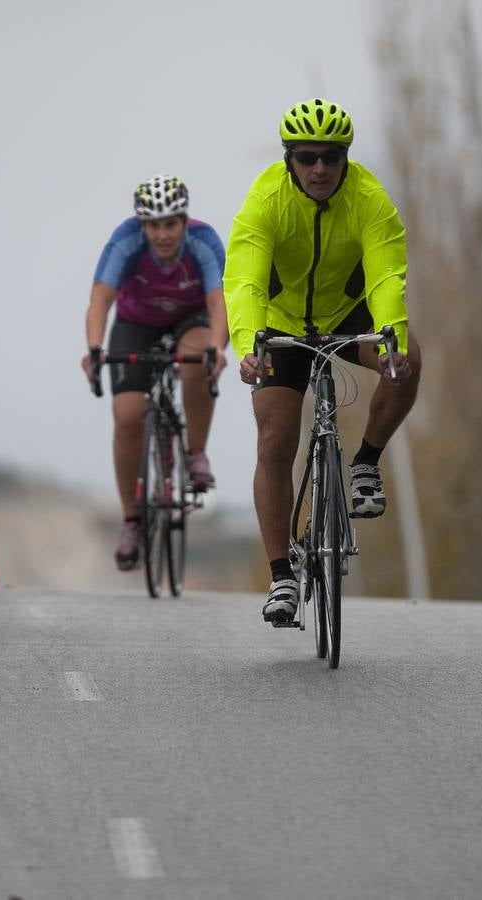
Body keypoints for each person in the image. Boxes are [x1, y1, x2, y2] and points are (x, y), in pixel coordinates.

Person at [224, 98, 420, 625]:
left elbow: (384, 278)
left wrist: (391, 342)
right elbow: (242, 280)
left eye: (330, 158)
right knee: (274, 439)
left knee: (408, 359)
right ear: (290, 158)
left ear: (345, 159)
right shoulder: (265, 201)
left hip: (345, 313)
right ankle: (282, 576)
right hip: (281, 322)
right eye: (307, 157)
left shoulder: (370, 200)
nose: (319, 169)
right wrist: (248, 346)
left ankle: (364, 464)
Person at [81, 175, 228, 571]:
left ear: (184, 221)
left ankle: (195, 453)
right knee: (127, 416)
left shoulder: (205, 241)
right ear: (142, 225)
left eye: (170, 224)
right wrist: (95, 349)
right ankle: (132, 520)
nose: (162, 234)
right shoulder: (125, 240)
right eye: (153, 225)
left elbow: (219, 304)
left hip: (190, 317)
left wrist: (217, 347)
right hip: (136, 322)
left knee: (195, 363)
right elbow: (100, 299)